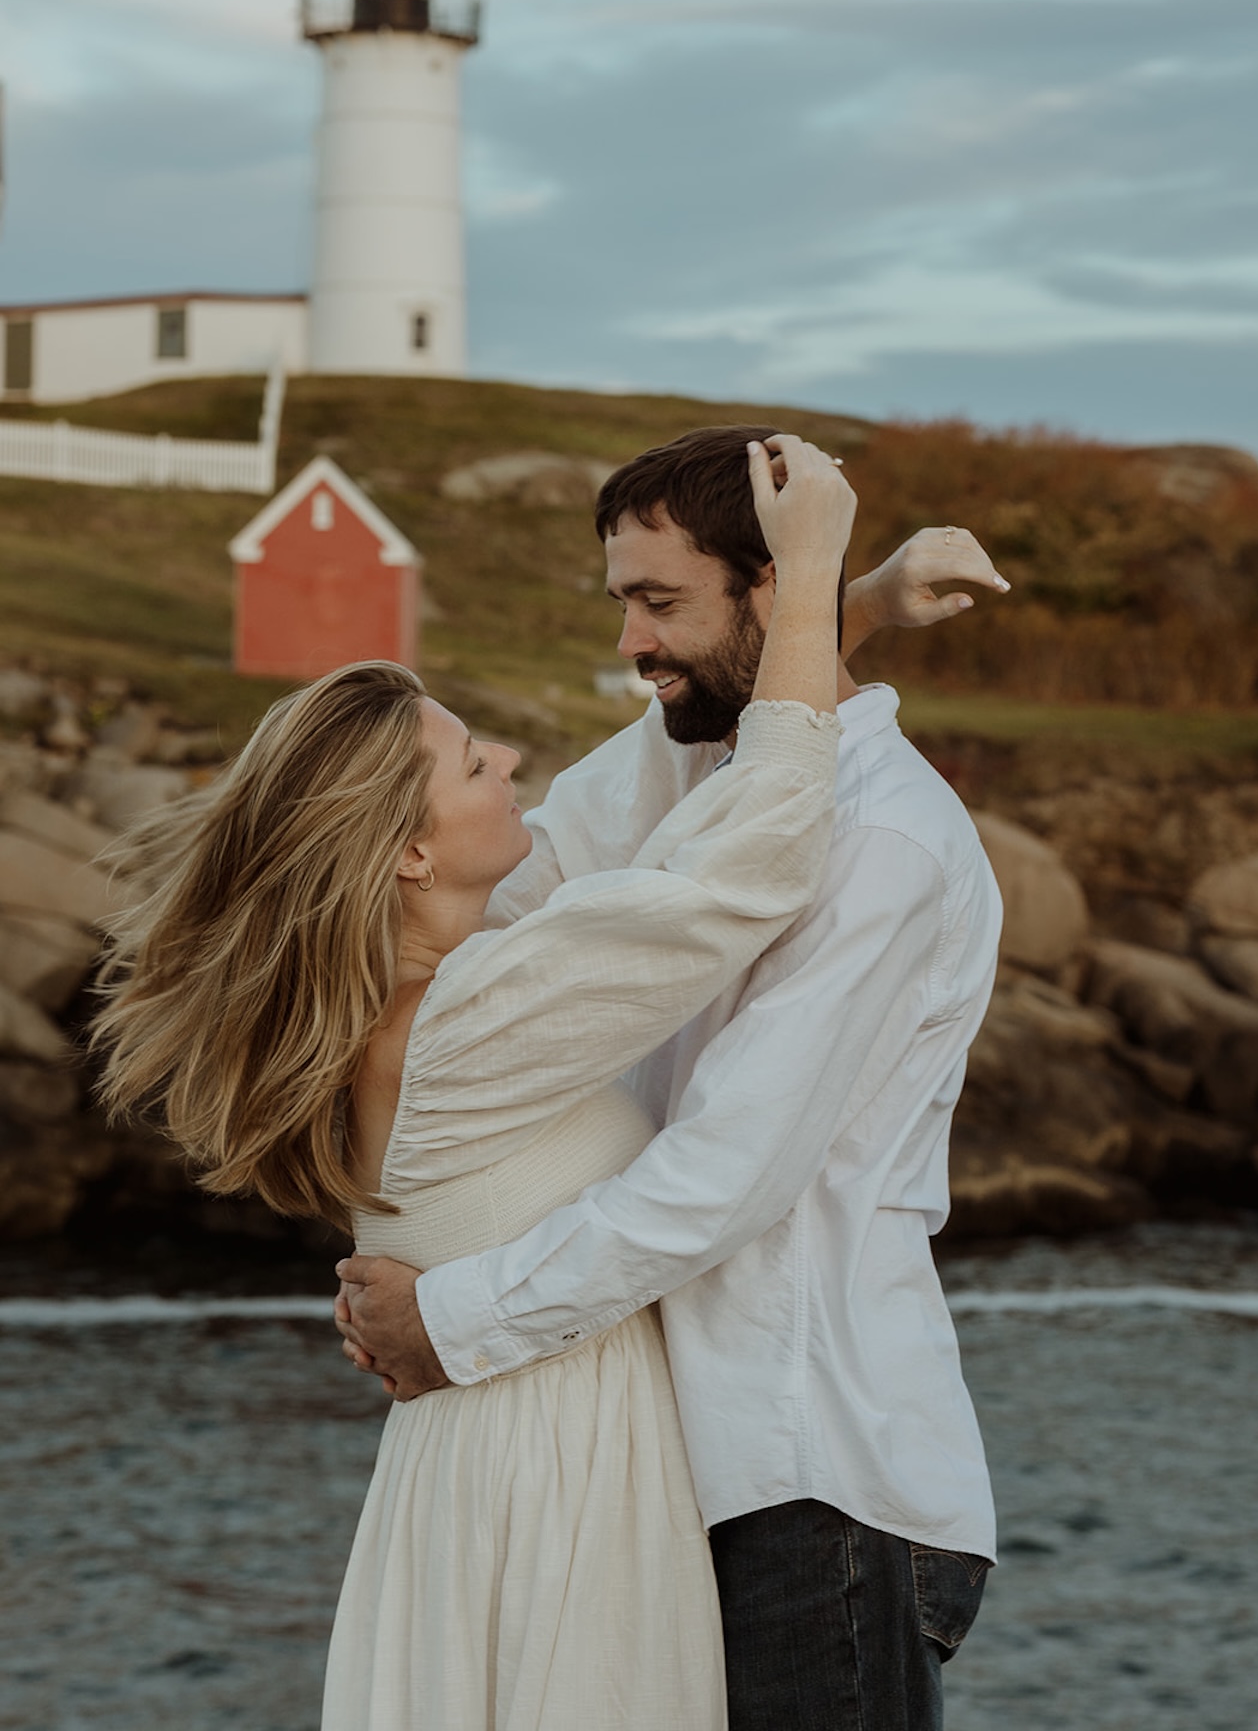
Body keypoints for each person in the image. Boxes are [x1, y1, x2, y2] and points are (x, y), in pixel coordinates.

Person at [91, 436, 858, 1730]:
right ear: (404, 853)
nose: (507, 754)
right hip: (553, 1478)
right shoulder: (466, 1020)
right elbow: (746, 863)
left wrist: (846, 607)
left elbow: (632, 806)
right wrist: (819, 562)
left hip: (481, 1461)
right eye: (469, 762)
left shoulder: (420, 995)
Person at [338, 425, 1010, 1731]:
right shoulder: (715, 777)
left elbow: (727, 1174)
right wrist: (849, 613)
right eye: (623, 603)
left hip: (813, 1478)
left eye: (662, 603)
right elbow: (563, 848)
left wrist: (455, 1320)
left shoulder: (878, 842)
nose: (634, 643)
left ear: (768, 589)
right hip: (683, 1467)